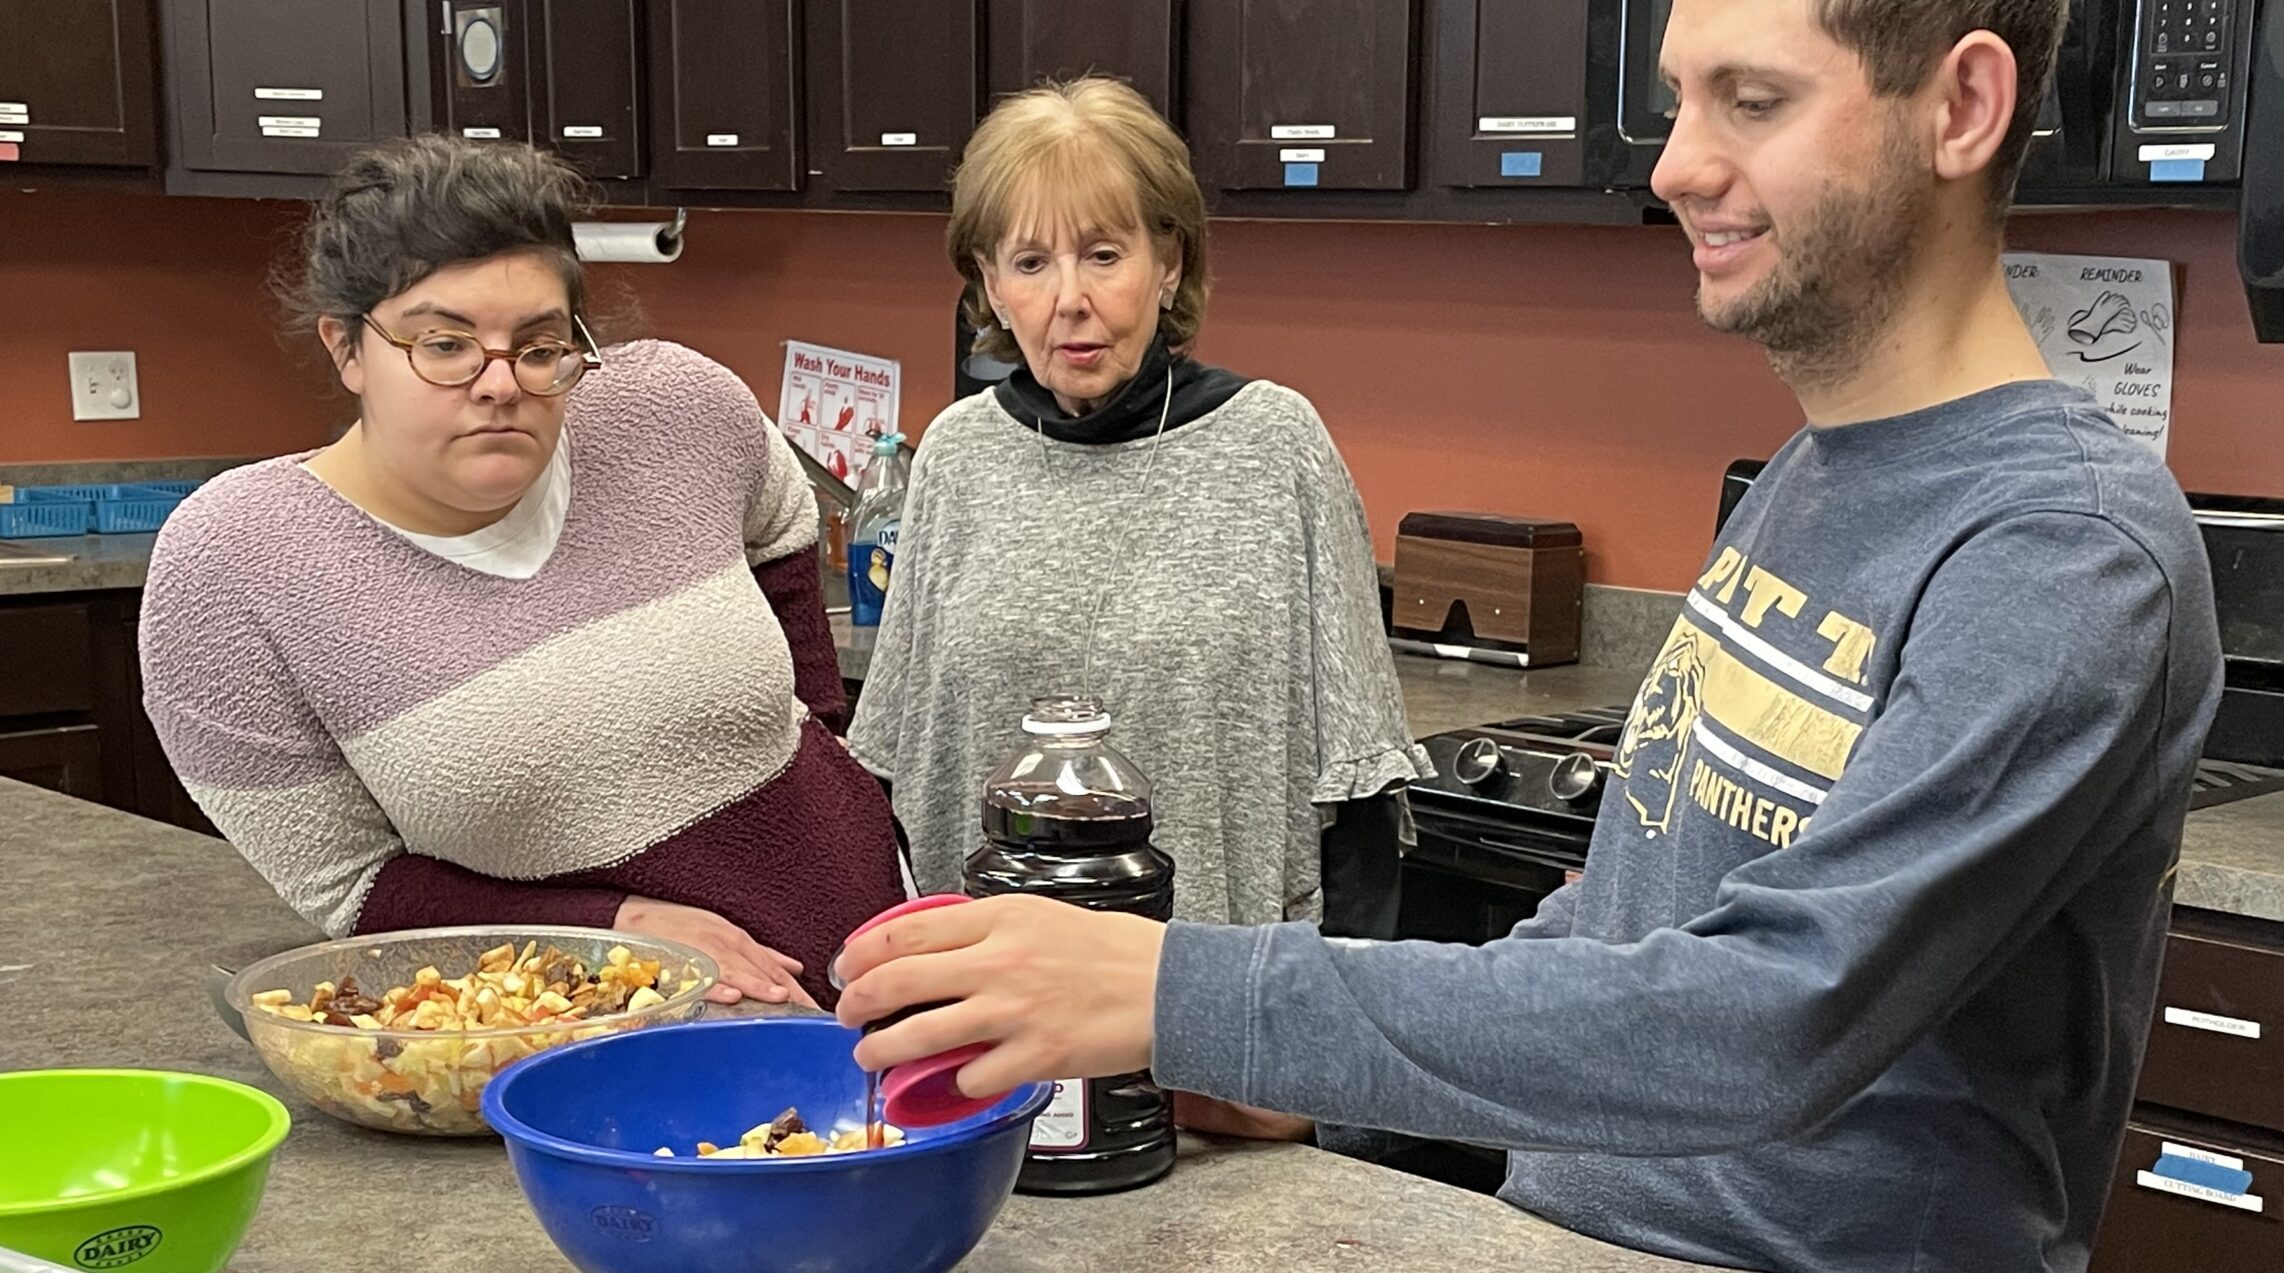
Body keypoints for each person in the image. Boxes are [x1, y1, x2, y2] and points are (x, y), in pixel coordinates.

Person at [834, 2, 2225, 1269]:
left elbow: (1769, 1015)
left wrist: (1183, 990)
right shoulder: (1808, 481)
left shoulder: (2066, 552)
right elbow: (1616, 931)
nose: (1674, 163)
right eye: (1679, 98)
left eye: (1750, 100)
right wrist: (1331, 1086)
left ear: (1961, 108)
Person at [141, 137, 908, 1008]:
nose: (499, 383)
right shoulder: (233, 570)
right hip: (586, 1032)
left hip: (873, 947)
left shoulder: (676, 407)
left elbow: (781, 519)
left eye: (539, 347)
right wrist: (613, 925)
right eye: (445, 343)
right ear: (346, 347)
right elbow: (353, 890)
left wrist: (821, 726)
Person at [845, 77, 1427, 939]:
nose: (1068, 299)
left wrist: (1325, 1031)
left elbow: (1361, 788)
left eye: (1104, 254)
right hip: (994, 1011)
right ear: (991, 286)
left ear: (1170, 263)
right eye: (1030, 262)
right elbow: (892, 774)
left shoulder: (1274, 445)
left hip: (1215, 1008)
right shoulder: (957, 459)